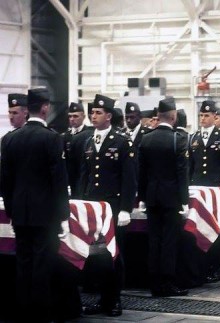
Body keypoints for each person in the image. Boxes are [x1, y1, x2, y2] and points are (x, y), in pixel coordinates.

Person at [0, 88, 70, 322]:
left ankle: (23, 310)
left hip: (20, 212)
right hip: (45, 214)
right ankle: (41, 313)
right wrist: (63, 216)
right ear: (45, 107)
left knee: (23, 262)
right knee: (42, 263)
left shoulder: (9, 139)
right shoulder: (52, 138)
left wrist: (11, 210)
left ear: (27, 109)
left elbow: (5, 181)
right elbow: (59, 181)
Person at [77, 94, 137, 317]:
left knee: (113, 253)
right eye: (92, 112)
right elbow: (84, 176)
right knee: (96, 254)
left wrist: (125, 208)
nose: (93, 116)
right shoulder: (88, 141)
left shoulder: (122, 141)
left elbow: (129, 177)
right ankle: (100, 298)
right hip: (92, 207)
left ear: (109, 116)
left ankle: (114, 300)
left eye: (98, 112)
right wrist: (81, 202)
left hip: (112, 206)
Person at [138, 98, 189, 297]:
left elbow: (141, 172)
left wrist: (142, 196)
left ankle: (154, 282)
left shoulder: (146, 138)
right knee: (169, 240)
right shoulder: (178, 139)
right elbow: (181, 173)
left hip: (151, 196)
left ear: (158, 116)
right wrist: (184, 201)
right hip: (171, 197)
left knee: (154, 239)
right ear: (174, 116)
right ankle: (167, 282)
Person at [188, 100, 220, 283]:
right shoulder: (193, 138)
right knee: (199, 227)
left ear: (215, 117)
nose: (203, 118)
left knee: (217, 228)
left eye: (206, 115)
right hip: (198, 189)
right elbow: (189, 167)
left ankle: (214, 266)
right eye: (201, 115)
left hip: (217, 189)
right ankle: (200, 265)